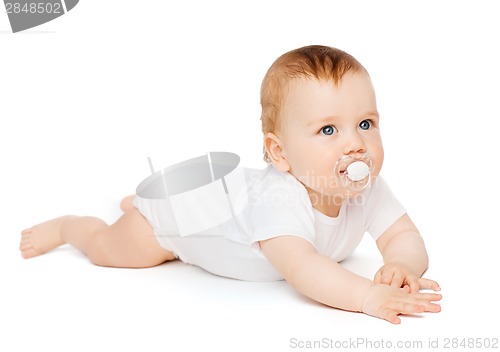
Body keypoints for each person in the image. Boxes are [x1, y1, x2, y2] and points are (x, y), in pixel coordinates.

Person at [19, 45, 441, 324]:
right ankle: (72, 225)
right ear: (280, 154)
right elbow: (304, 269)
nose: (355, 144)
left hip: (229, 200)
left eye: (365, 124)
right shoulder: (280, 199)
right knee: (114, 250)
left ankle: (140, 202)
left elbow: (402, 233)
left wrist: (403, 266)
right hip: (176, 228)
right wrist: (367, 296)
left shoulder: (366, 188)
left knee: (200, 201)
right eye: (328, 131)